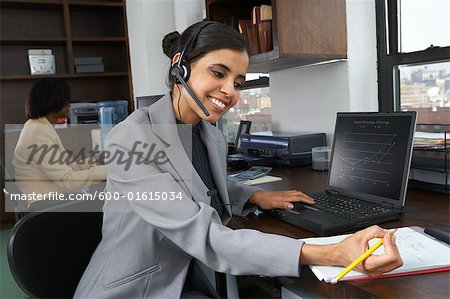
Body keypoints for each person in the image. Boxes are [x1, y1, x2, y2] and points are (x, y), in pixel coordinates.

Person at [75, 21, 402, 298]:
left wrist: (253, 194)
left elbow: (193, 182)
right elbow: (203, 234)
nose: (229, 91)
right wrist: (330, 252)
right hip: (138, 288)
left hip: (190, 278)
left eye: (238, 83)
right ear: (180, 65)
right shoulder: (131, 138)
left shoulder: (209, 134)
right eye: (218, 73)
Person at [13, 78, 106, 207]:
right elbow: (67, 180)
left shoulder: (37, 126)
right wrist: (109, 171)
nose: (69, 105)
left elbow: (67, 167)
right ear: (54, 102)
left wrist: (95, 161)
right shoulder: (38, 132)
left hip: (51, 197)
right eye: (67, 101)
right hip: (48, 204)